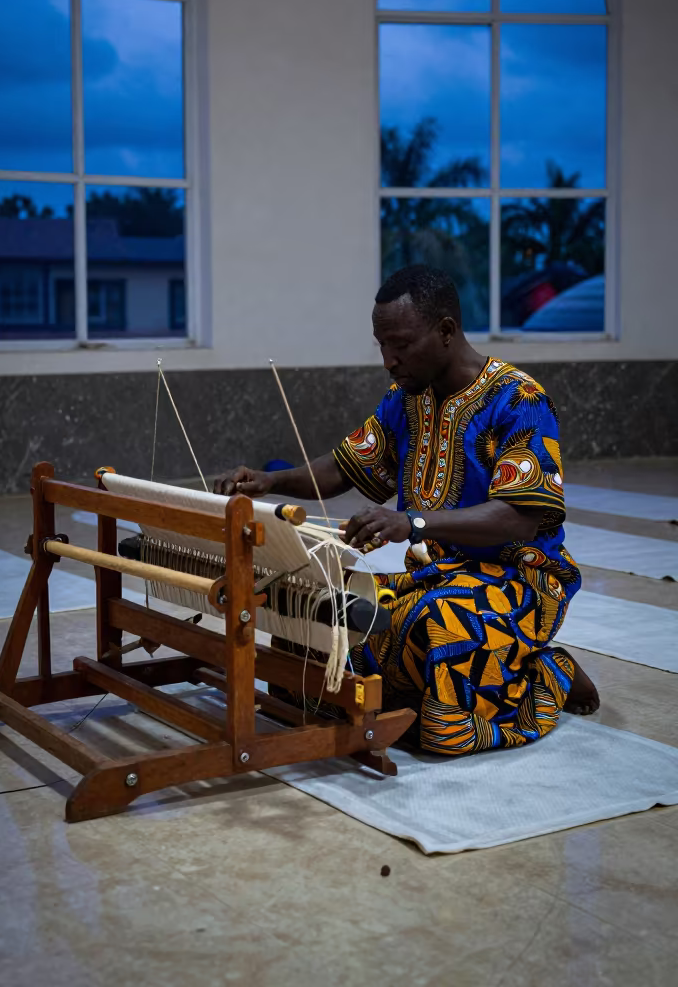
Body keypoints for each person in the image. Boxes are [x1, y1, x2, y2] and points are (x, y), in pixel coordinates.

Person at [214, 264, 599, 756]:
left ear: (445, 331)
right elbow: (345, 467)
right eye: (381, 346)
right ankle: (419, 694)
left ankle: (548, 672)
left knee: (435, 626)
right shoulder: (406, 398)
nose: (388, 361)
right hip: (436, 574)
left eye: (400, 344)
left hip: (521, 580)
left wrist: (413, 521)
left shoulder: (519, 400)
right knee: (324, 608)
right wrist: (271, 480)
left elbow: (518, 516)